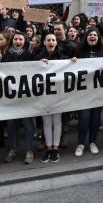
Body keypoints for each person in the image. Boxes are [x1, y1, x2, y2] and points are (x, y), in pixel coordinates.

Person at [71, 27, 103, 157]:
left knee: (95, 119)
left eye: (95, 35)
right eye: (90, 35)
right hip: (83, 92)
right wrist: (72, 61)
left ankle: (93, 142)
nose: (92, 37)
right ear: (86, 37)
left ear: (98, 38)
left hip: (98, 92)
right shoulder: (78, 50)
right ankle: (81, 143)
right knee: (84, 118)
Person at [2, 32, 37, 164]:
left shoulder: (30, 56)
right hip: (12, 97)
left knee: (28, 124)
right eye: (16, 39)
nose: (18, 41)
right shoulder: (6, 56)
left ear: (24, 41)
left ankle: (29, 150)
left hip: (26, 96)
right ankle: (13, 148)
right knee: (11, 124)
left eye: (20, 39)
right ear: (12, 41)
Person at [35, 33, 67, 163]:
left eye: (53, 40)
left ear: (56, 42)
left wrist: (73, 61)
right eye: (48, 40)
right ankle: (49, 148)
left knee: (57, 121)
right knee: (47, 122)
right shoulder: (38, 56)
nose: (51, 42)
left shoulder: (62, 56)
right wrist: (38, 64)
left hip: (58, 94)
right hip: (44, 95)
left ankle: (55, 149)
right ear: (44, 42)